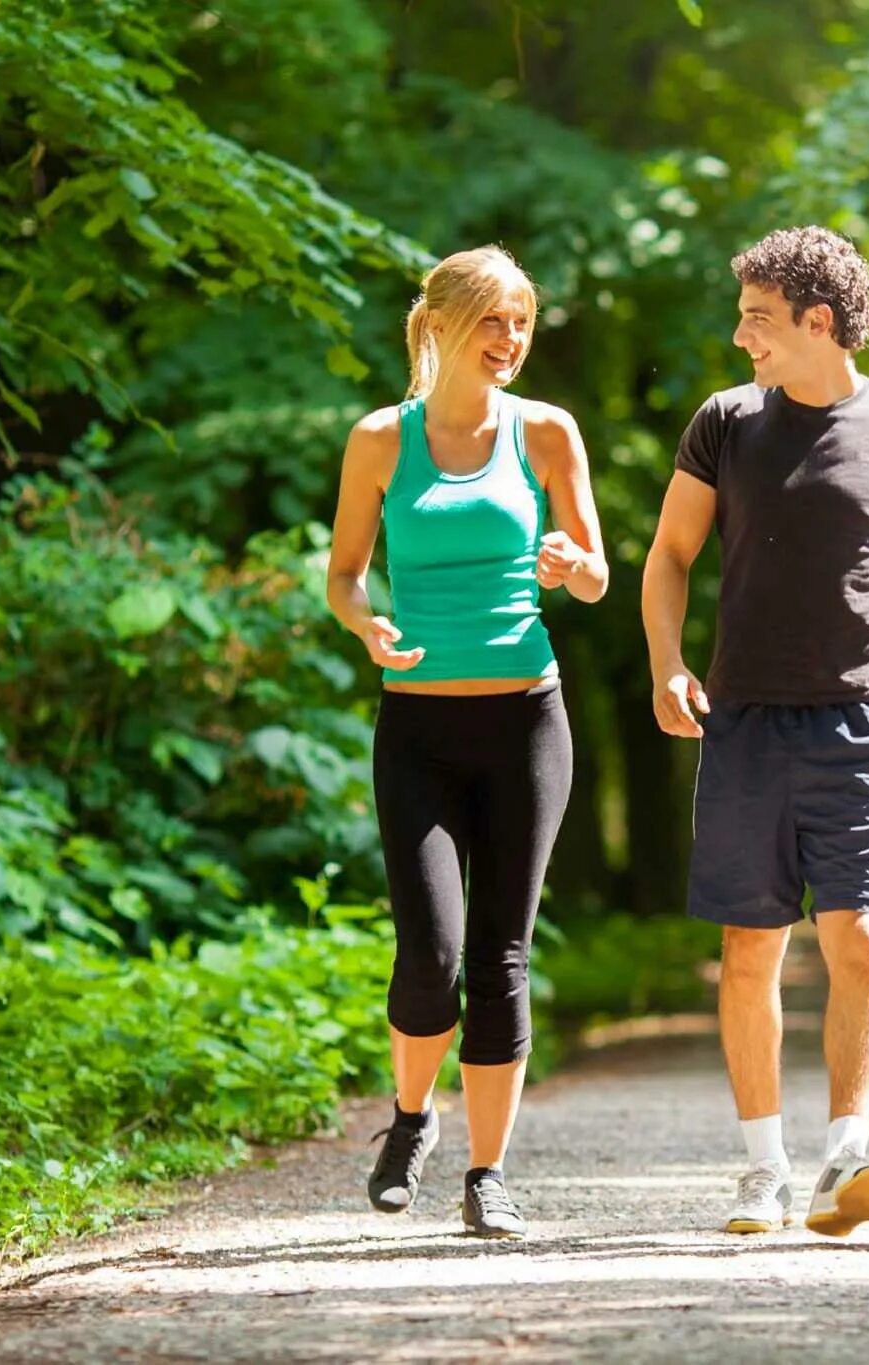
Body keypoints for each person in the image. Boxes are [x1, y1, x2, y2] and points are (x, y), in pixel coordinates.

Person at [642, 226, 869, 1238]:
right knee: (750, 947)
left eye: (756, 319)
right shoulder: (725, 424)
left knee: (860, 940)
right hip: (743, 722)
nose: (741, 338)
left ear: (816, 322)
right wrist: (666, 664)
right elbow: (666, 557)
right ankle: (762, 1171)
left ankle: (843, 1160)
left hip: (861, 721)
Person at [325, 246, 608, 1239]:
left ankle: (488, 1173)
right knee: (429, 951)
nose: (511, 340)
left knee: (500, 954)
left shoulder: (545, 434)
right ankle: (410, 1120)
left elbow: (594, 572)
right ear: (438, 324)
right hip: (419, 727)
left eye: (522, 322)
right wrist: (365, 625)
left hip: (527, 718)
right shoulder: (378, 441)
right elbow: (346, 575)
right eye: (492, 320)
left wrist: (571, 564)